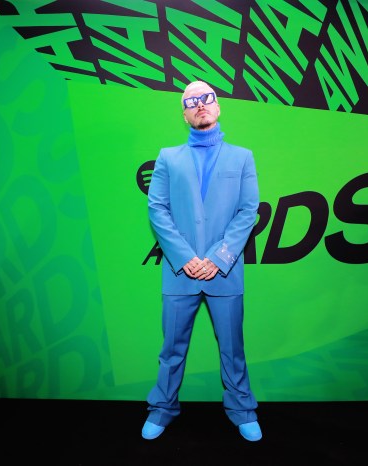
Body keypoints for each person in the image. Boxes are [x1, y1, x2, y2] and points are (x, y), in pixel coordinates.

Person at [141, 80, 262, 442]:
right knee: (171, 349)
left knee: (232, 348)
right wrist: (186, 258)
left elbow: (248, 210)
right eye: (191, 101)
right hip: (180, 274)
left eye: (206, 98)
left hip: (224, 274)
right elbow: (157, 209)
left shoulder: (242, 157)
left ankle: (242, 410)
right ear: (184, 113)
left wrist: (217, 259)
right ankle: (162, 409)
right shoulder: (168, 157)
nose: (200, 105)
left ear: (218, 106)